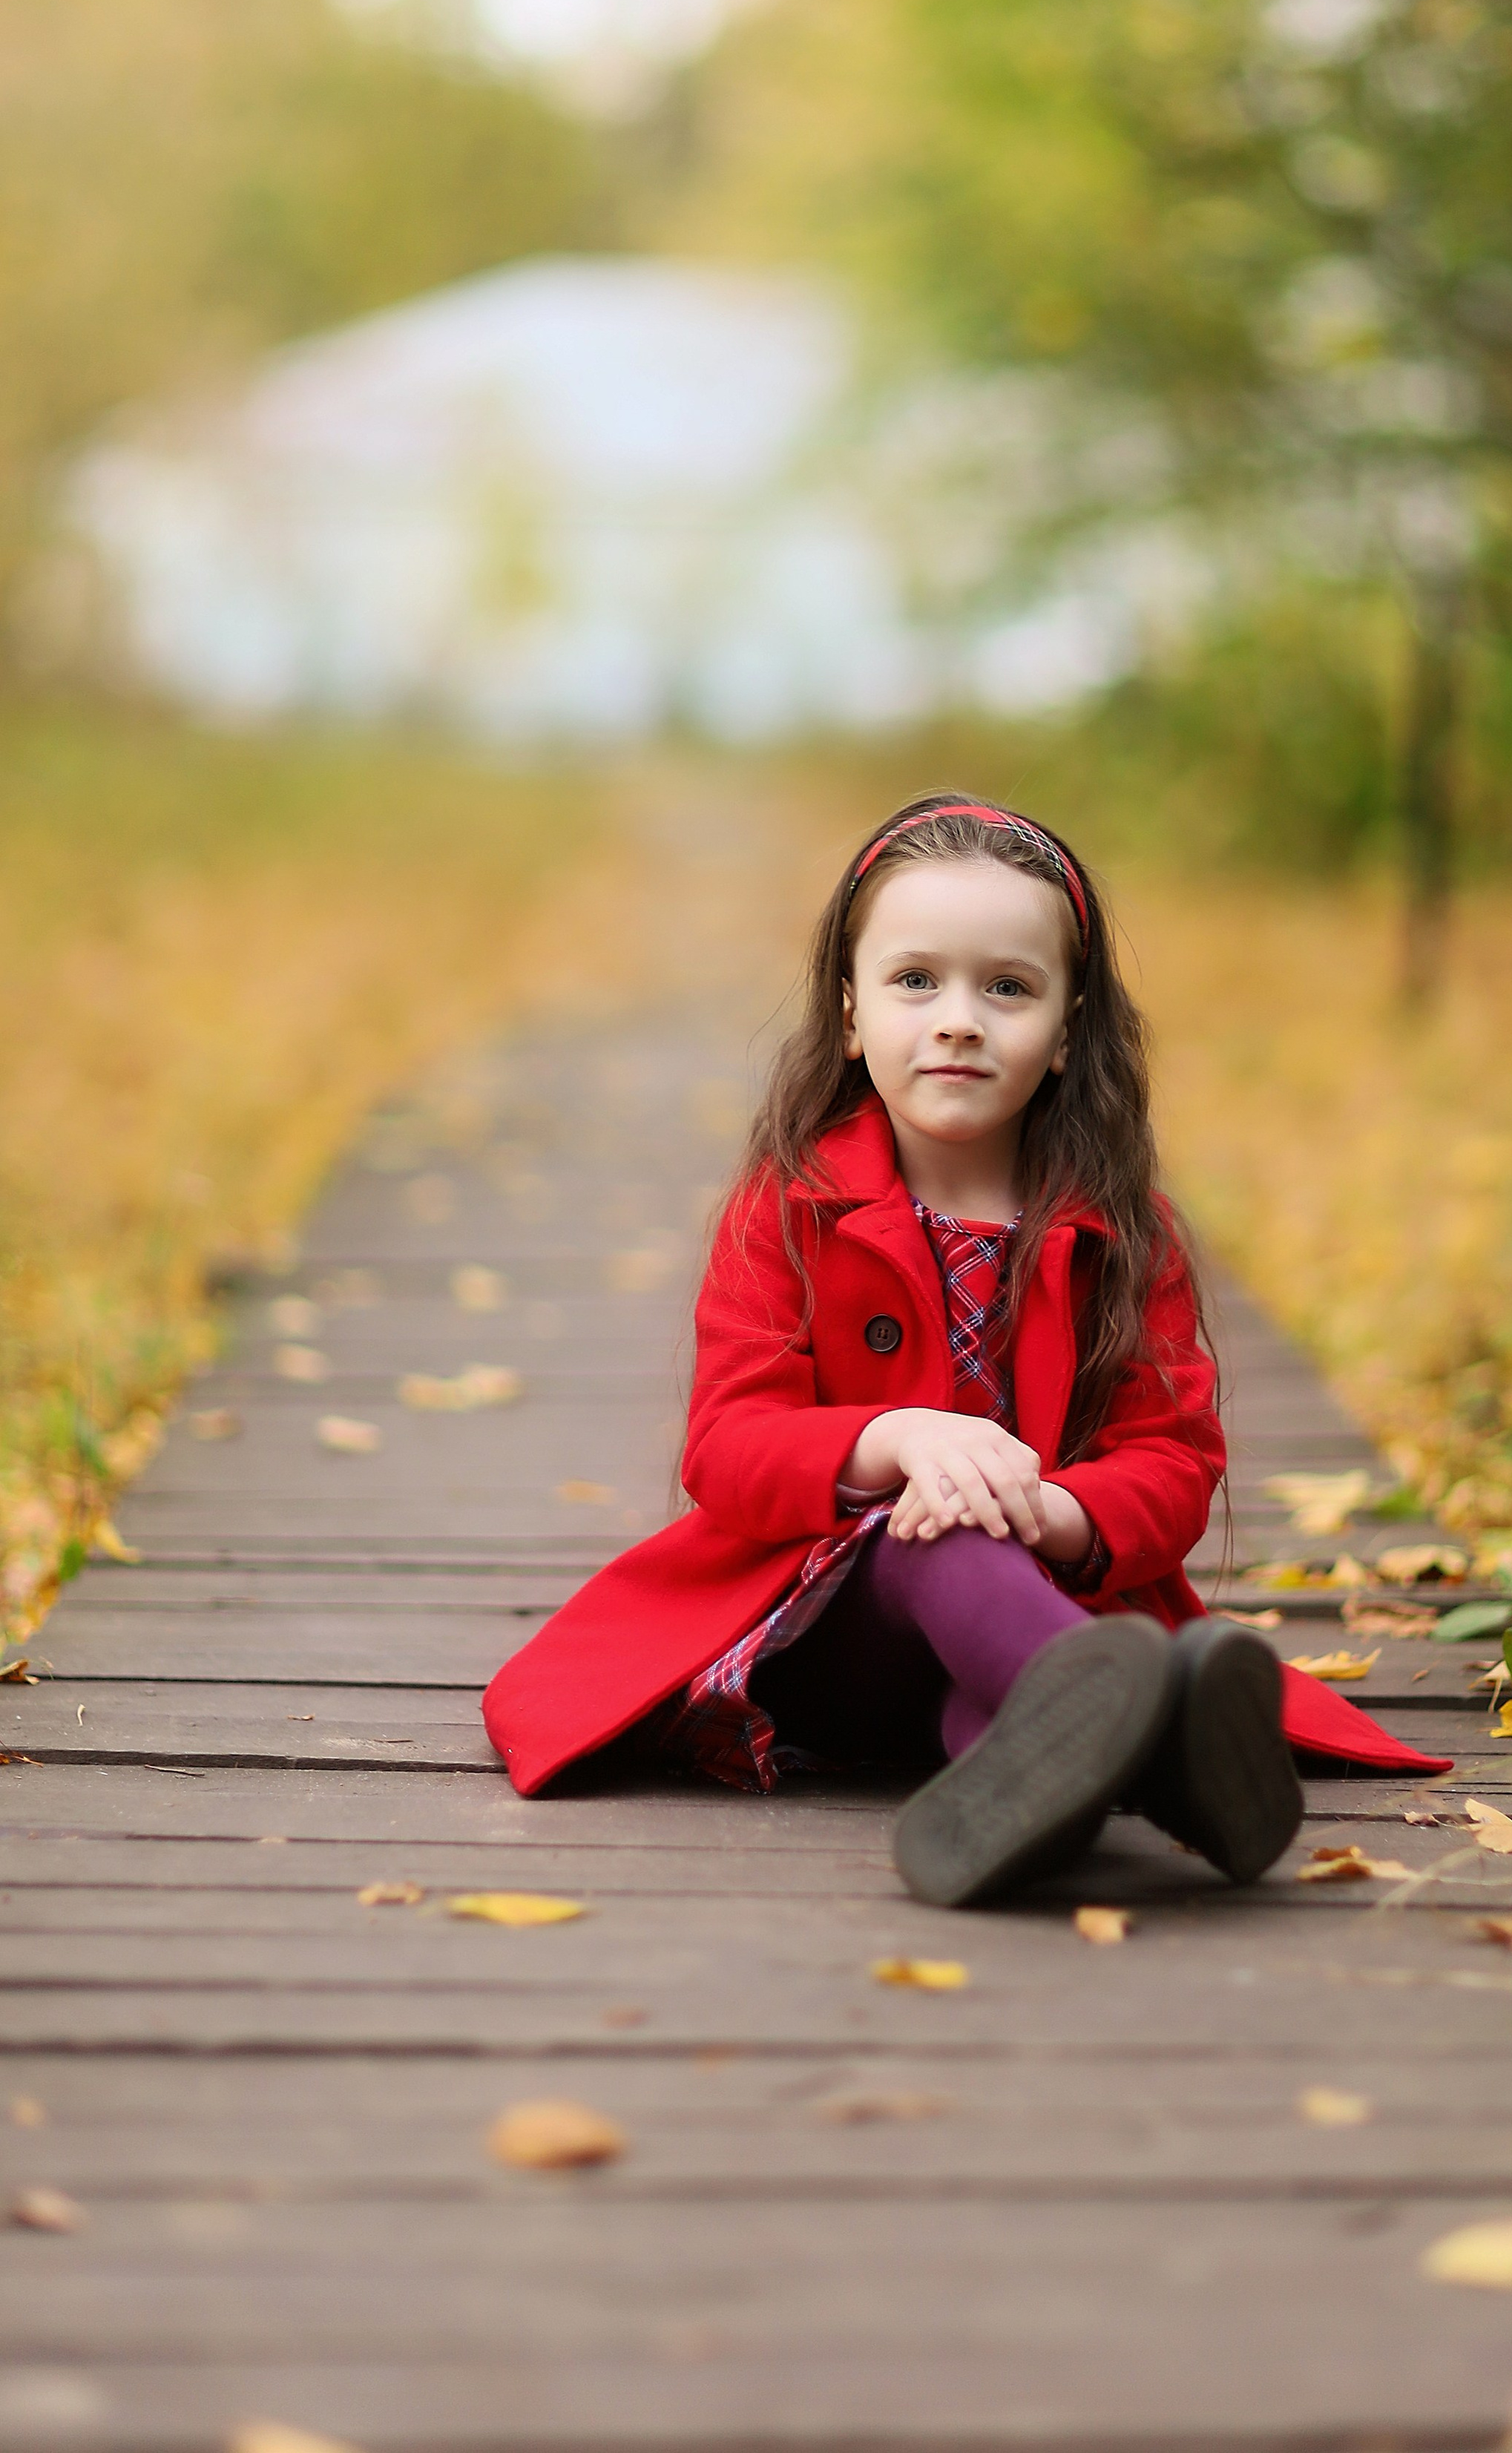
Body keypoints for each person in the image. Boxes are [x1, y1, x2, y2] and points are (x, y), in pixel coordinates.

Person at [483, 795, 1448, 1906]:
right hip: (823, 1636)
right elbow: (727, 1446)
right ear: (850, 1014)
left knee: (994, 1688)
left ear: (1069, 1028)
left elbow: (1173, 1460)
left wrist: (1055, 1515)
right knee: (934, 1535)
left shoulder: (1122, 1227)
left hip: (1026, 1620)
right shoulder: (788, 1207)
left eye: (1007, 987)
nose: (958, 1020)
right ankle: (1170, 1755)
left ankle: (1044, 1784)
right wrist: (896, 1440)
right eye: (915, 981)